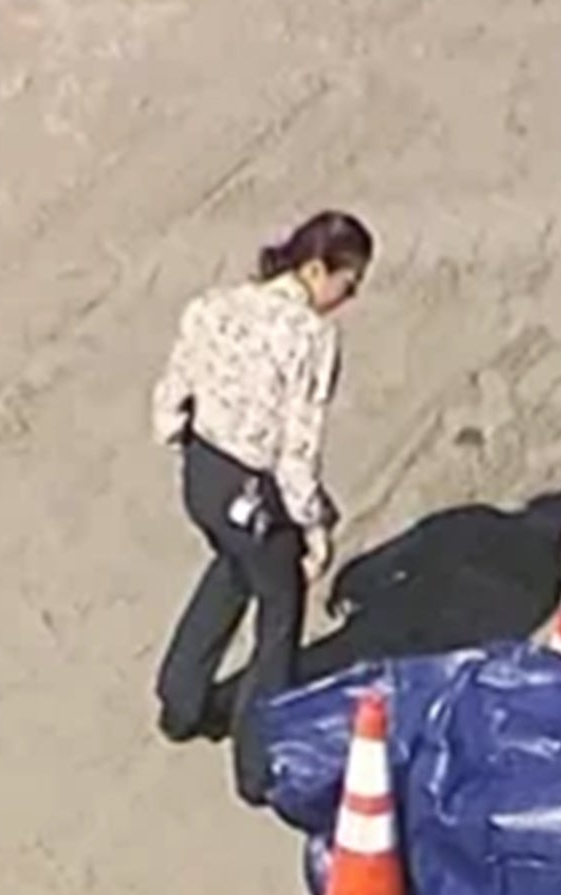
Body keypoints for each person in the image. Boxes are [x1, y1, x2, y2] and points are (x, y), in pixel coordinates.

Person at [149, 209, 373, 804]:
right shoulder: (311, 338)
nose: (346, 300)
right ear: (316, 269)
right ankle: (259, 761)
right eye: (346, 284)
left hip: (203, 475)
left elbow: (172, 397)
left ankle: (181, 700)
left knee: (232, 565)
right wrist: (316, 528)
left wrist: (184, 443)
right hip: (257, 490)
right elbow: (297, 453)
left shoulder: (216, 305)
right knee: (280, 608)